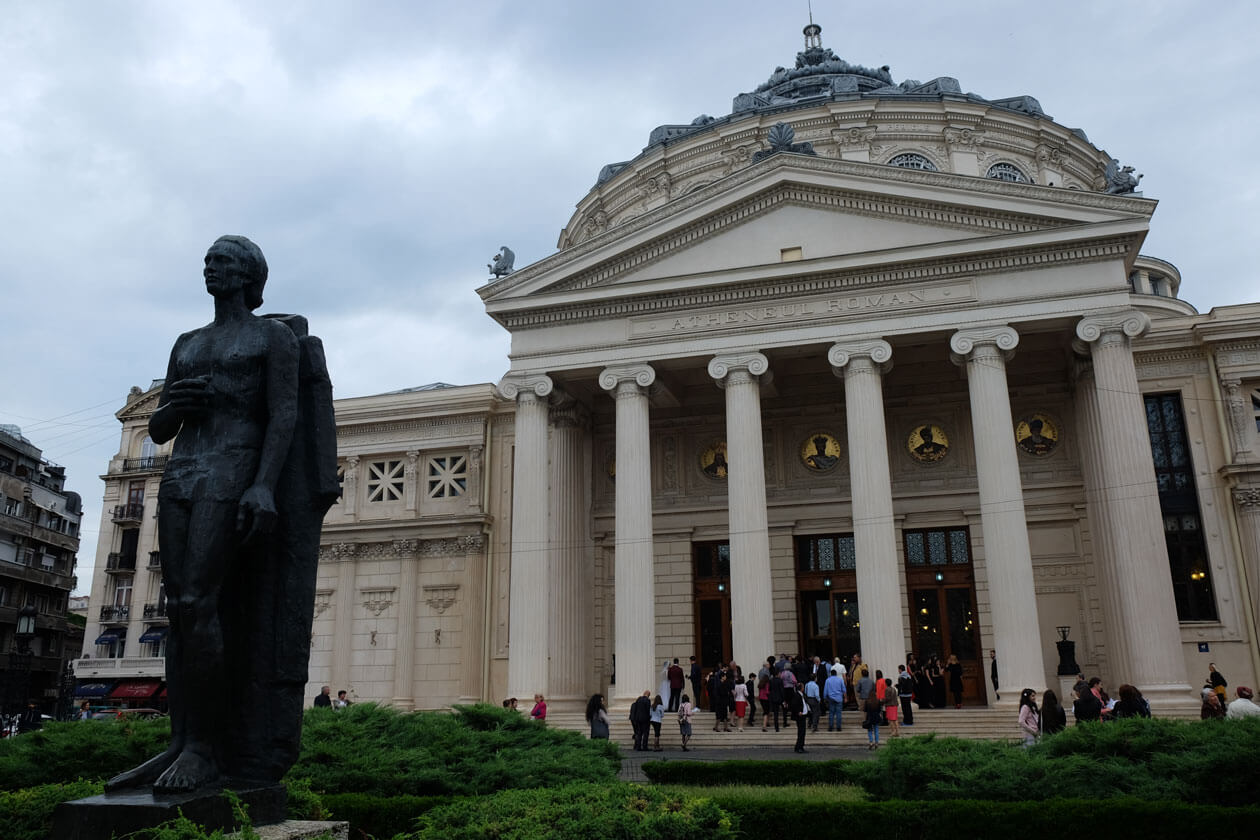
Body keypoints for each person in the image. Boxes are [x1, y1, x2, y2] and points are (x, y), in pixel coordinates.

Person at [107, 236, 338, 794]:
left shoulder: (272, 337)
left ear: (249, 275)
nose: (212, 268)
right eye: (209, 261)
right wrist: (174, 408)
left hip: (233, 472)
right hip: (182, 472)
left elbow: (283, 417)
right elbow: (162, 428)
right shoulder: (187, 342)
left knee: (198, 603)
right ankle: (179, 743)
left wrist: (263, 486)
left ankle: (206, 749)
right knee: (181, 615)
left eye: (224, 261)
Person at [863, 685, 882, 750]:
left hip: (869, 716)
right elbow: (879, 710)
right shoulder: (877, 700)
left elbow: (865, 710)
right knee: (876, 730)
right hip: (876, 716)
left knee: (870, 730)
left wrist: (865, 718)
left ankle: (871, 742)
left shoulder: (867, 701)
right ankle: (876, 743)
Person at [792, 681, 810, 753]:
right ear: (801, 688)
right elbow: (794, 705)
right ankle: (799, 747)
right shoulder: (796, 695)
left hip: (804, 714)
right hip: (800, 715)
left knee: (802, 732)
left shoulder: (802, 695)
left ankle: (799, 746)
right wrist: (798, 711)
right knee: (801, 732)